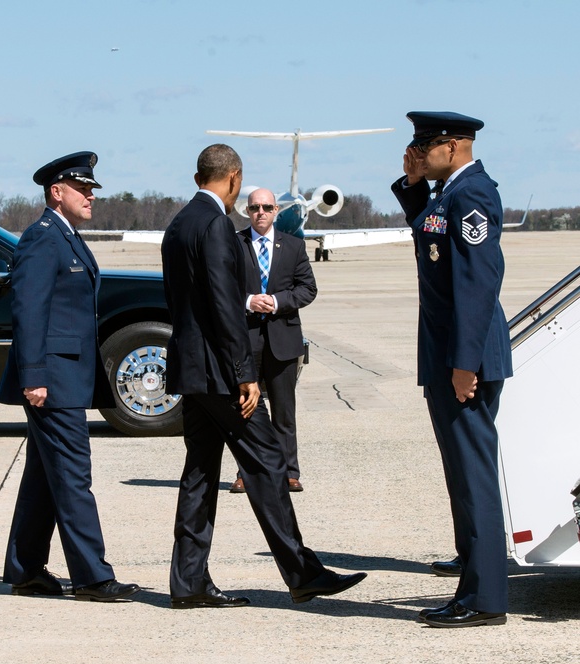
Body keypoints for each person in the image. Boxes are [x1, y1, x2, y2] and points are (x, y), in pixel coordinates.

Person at [161, 144, 365, 609]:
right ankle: (303, 573)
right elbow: (224, 306)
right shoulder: (216, 226)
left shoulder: (178, 224)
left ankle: (188, 581)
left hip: (192, 369)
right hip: (220, 374)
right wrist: (244, 374)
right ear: (234, 178)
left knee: (199, 471)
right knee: (269, 458)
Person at [0, 151, 140, 602]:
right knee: (74, 476)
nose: (91, 196)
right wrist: (34, 376)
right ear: (57, 192)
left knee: (44, 477)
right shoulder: (42, 238)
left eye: (92, 189)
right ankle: (93, 577)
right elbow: (28, 311)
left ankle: (26, 570)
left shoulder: (67, 236)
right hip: (52, 381)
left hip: (64, 377)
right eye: (83, 189)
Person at [391, 111, 512, 628]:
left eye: (426, 147)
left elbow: (477, 284)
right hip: (448, 357)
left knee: (474, 474)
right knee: (461, 474)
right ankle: (473, 574)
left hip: (467, 359)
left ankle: (484, 599)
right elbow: (430, 238)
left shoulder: (473, 195)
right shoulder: (448, 194)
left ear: (455, 145)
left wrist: (465, 364)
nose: (418, 154)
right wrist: (414, 186)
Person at [229, 188, 316, 495]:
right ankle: (246, 472)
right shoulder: (234, 244)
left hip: (283, 338)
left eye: (266, 207)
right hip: (246, 340)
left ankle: (289, 472)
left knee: (283, 411)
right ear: (247, 211)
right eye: (254, 208)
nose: (261, 212)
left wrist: (278, 302)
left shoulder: (293, 246)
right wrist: (249, 301)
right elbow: (222, 290)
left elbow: (308, 289)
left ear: (276, 210)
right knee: (246, 410)